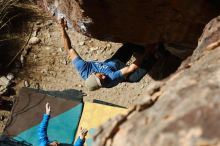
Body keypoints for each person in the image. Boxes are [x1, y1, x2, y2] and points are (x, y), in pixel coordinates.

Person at [60, 18, 156, 91]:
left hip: (113, 63)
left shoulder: (83, 67)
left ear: (92, 74)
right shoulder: (110, 79)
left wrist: (63, 29)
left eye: (100, 77)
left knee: (128, 47)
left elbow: (69, 48)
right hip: (121, 73)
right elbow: (131, 68)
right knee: (139, 72)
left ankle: (143, 47)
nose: (104, 77)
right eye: (102, 82)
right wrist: (147, 53)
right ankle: (157, 53)